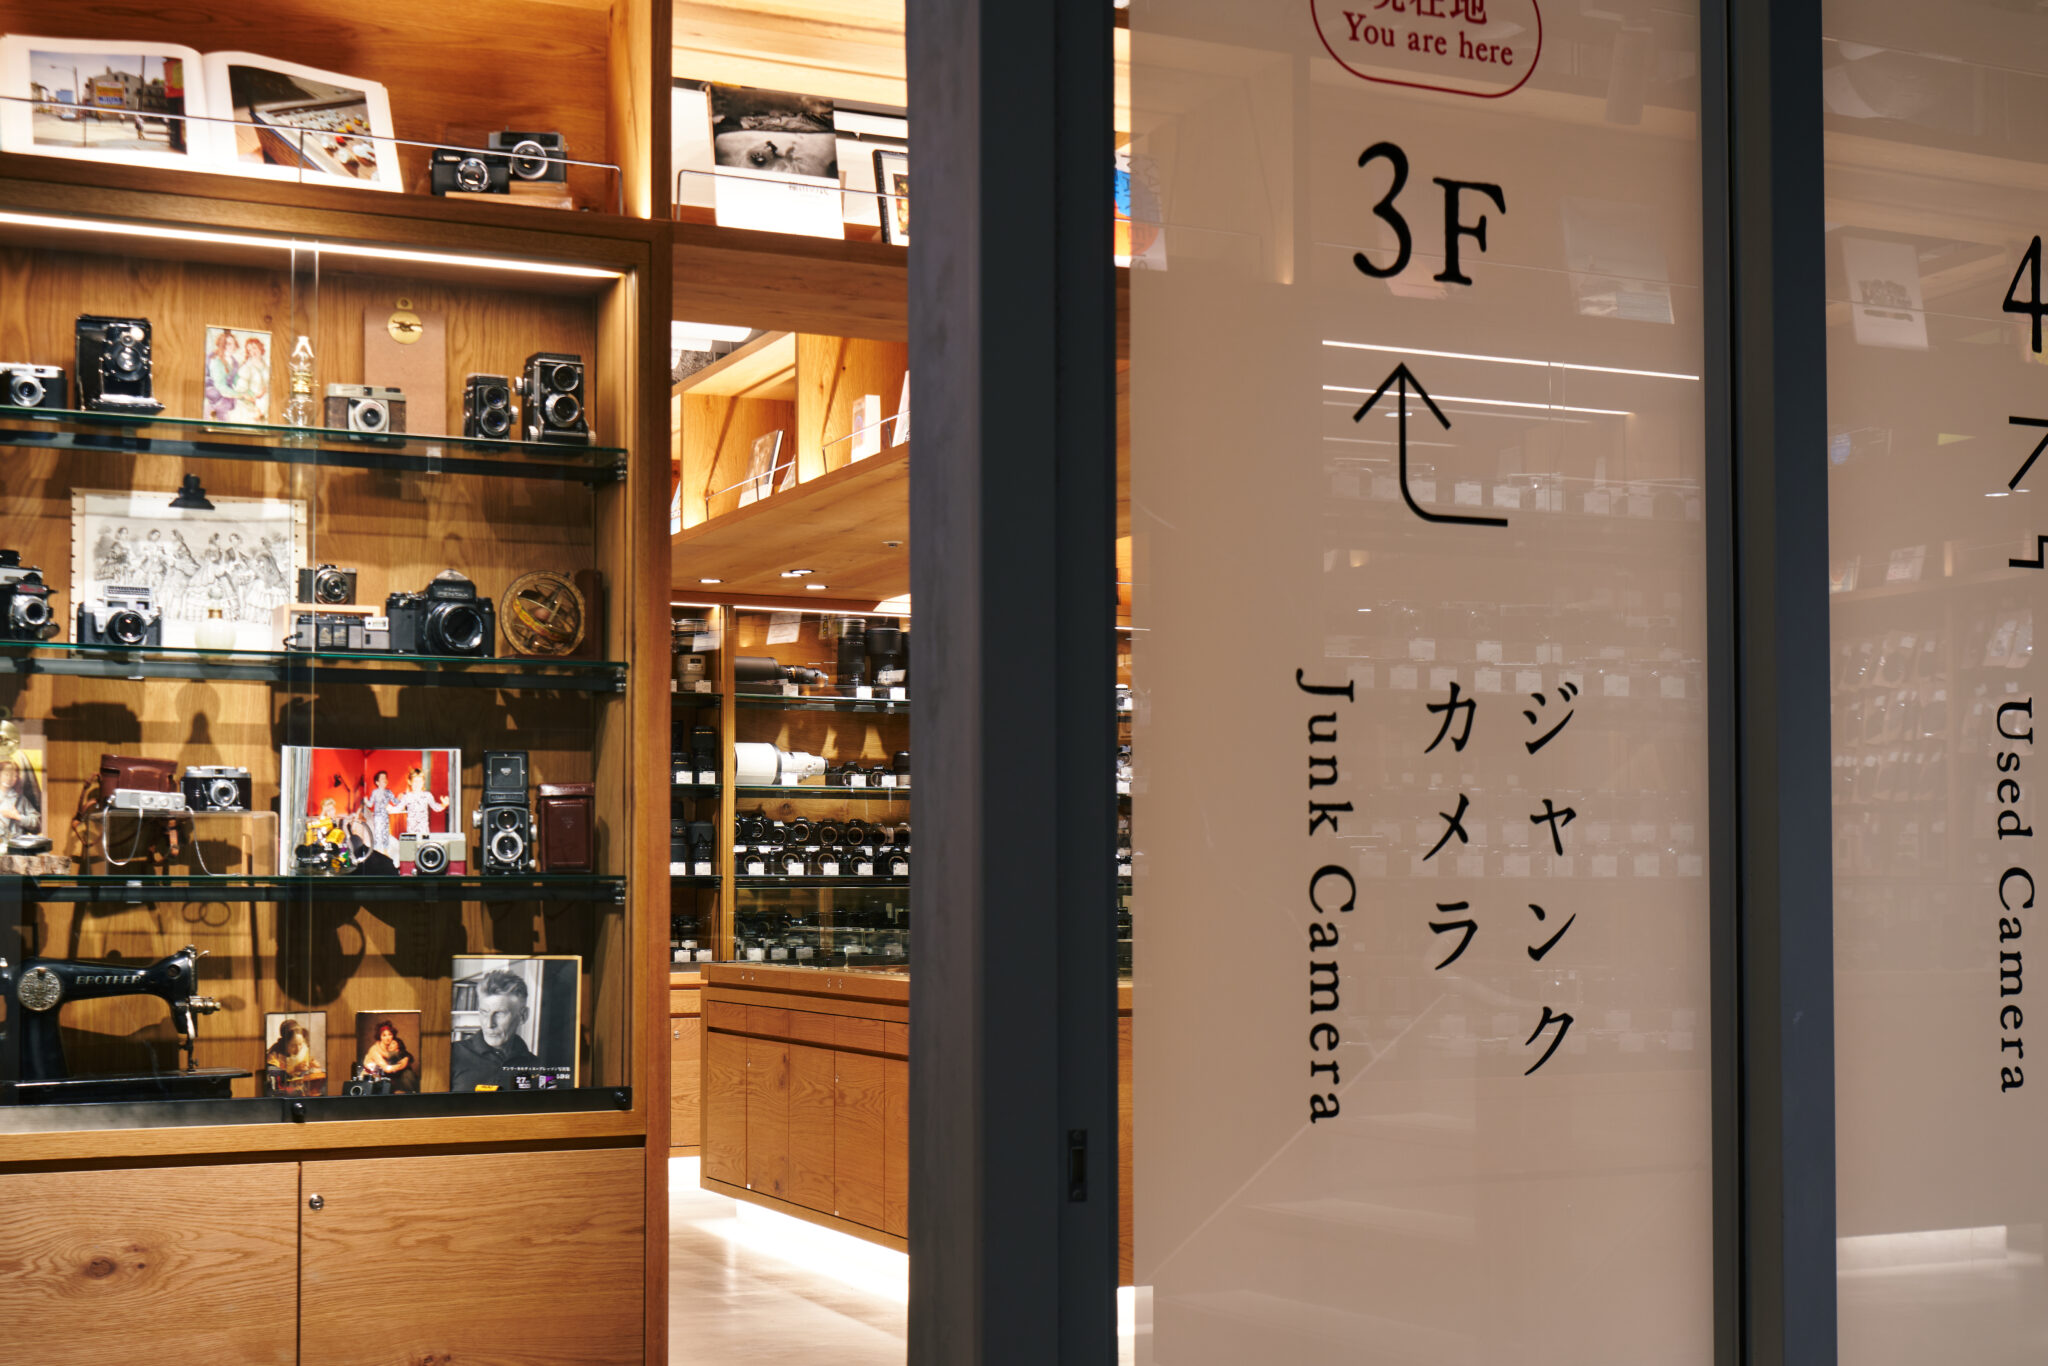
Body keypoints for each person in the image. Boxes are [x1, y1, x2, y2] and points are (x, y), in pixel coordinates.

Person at [450, 969, 541, 1091]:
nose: (489, 1024)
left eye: (499, 1014)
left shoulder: (538, 1066)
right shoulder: (452, 1055)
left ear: (523, 1016)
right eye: (484, 1012)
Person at [389, 765, 449, 850]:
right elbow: (397, 809)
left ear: (423, 782)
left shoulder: (427, 795)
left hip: (424, 832)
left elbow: (436, 807)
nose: (417, 784)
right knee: (412, 853)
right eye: (415, 781)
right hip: (411, 833)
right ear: (410, 782)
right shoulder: (407, 796)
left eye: (420, 781)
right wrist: (389, 808)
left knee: (423, 852)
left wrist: (443, 805)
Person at [265, 1018, 326, 1097]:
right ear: (285, 1043)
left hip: (302, 1086)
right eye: (293, 1046)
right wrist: (294, 1070)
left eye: (300, 1044)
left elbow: (310, 1062)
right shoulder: (274, 1054)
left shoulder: (303, 1050)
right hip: (284, 1091)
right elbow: (274, 1075)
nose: (298, 1049)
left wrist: (313, 1065)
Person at [358, 1018, 417, 1093]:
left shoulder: (392, 1044)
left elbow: (403, 1052)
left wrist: (406, 1058)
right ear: (380, 1037)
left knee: (408, 1073)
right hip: (370, 1078)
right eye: (384, 1035)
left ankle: (410, 1093)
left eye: (390, 1034)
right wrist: (402, 1065)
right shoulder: (374, 1050)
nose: (388, 1038)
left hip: (385, 1077)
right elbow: (387, 1069)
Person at [0, 757, 42, 841]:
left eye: (14, 776)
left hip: (15, 845)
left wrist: (18, 817)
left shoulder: (21, 800)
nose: (9, 779)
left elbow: (37, 825)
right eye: (7, 774)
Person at [231, 334, 269, 423]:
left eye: (254, 348)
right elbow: (241, 392)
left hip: (265, 406)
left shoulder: (267, 366)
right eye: (250, 350)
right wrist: (256, 399)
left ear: (260, 348)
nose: (253, 352)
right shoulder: (246, 368)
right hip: (249, 408)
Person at [204, 331, 241, 421]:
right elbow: (220, 386)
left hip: (225, 403)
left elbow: (238, 382)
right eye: (228, 344)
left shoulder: (234, 363)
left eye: (233, 343)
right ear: (222, 345)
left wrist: (248, 393)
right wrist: (241, 395)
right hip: (214, 402)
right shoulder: (216, 360)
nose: (232, 347)